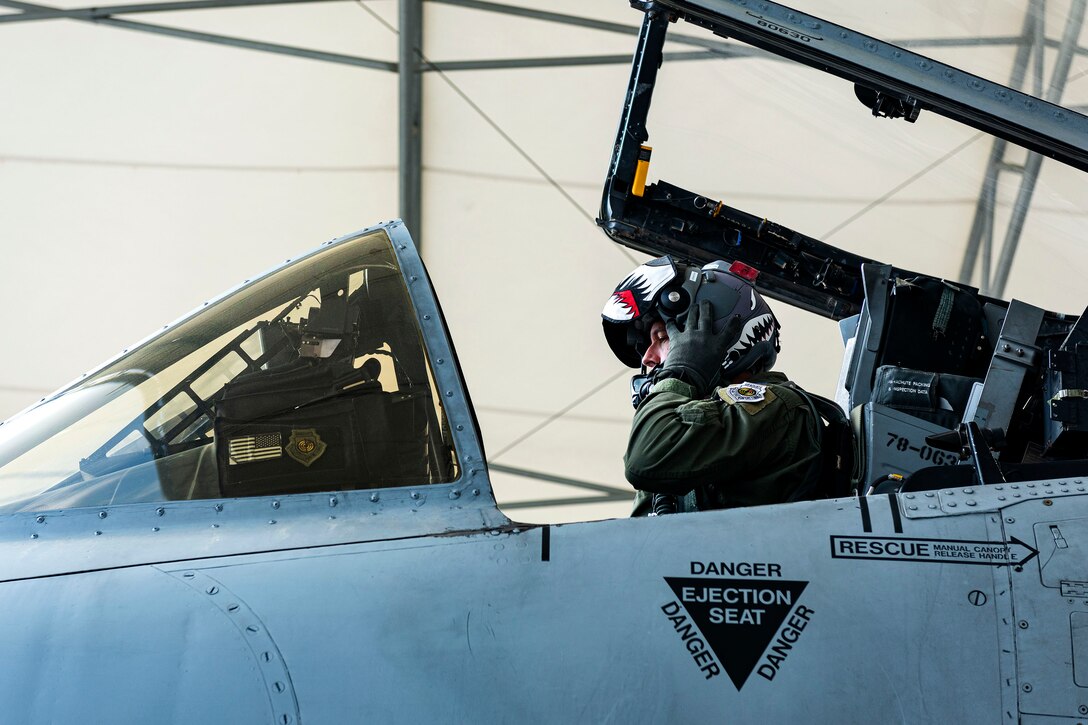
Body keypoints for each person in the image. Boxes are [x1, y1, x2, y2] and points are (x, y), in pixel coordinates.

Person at [601, 256, 823, 515]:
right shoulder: (681, 429)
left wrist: (683, 372)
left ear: (710, 333)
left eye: (661, 338)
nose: (648, 359)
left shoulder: (778, 408)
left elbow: (645, 460)